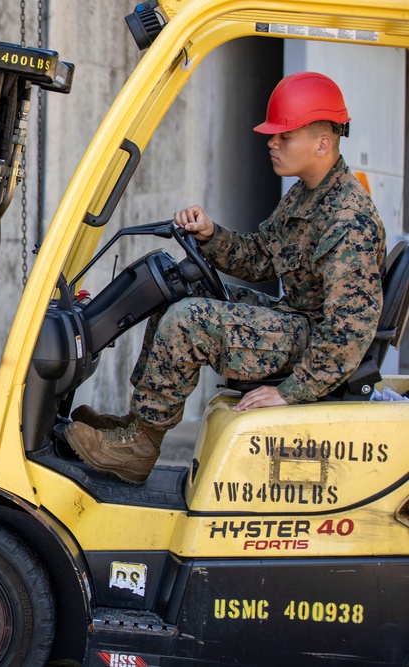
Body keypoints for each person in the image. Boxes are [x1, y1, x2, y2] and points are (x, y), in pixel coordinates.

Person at [64, 71, 387, 484]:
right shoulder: (307, 194)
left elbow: (349, 332)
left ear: (322, 143)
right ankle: (139, 423)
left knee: (190, 319)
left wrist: (292, 392)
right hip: (296, 320)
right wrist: (211, 234)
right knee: (181, 288)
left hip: (313, 340)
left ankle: (141, 446)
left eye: (284, 136)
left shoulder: (348, 220)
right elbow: (262, 258)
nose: (271, 142)